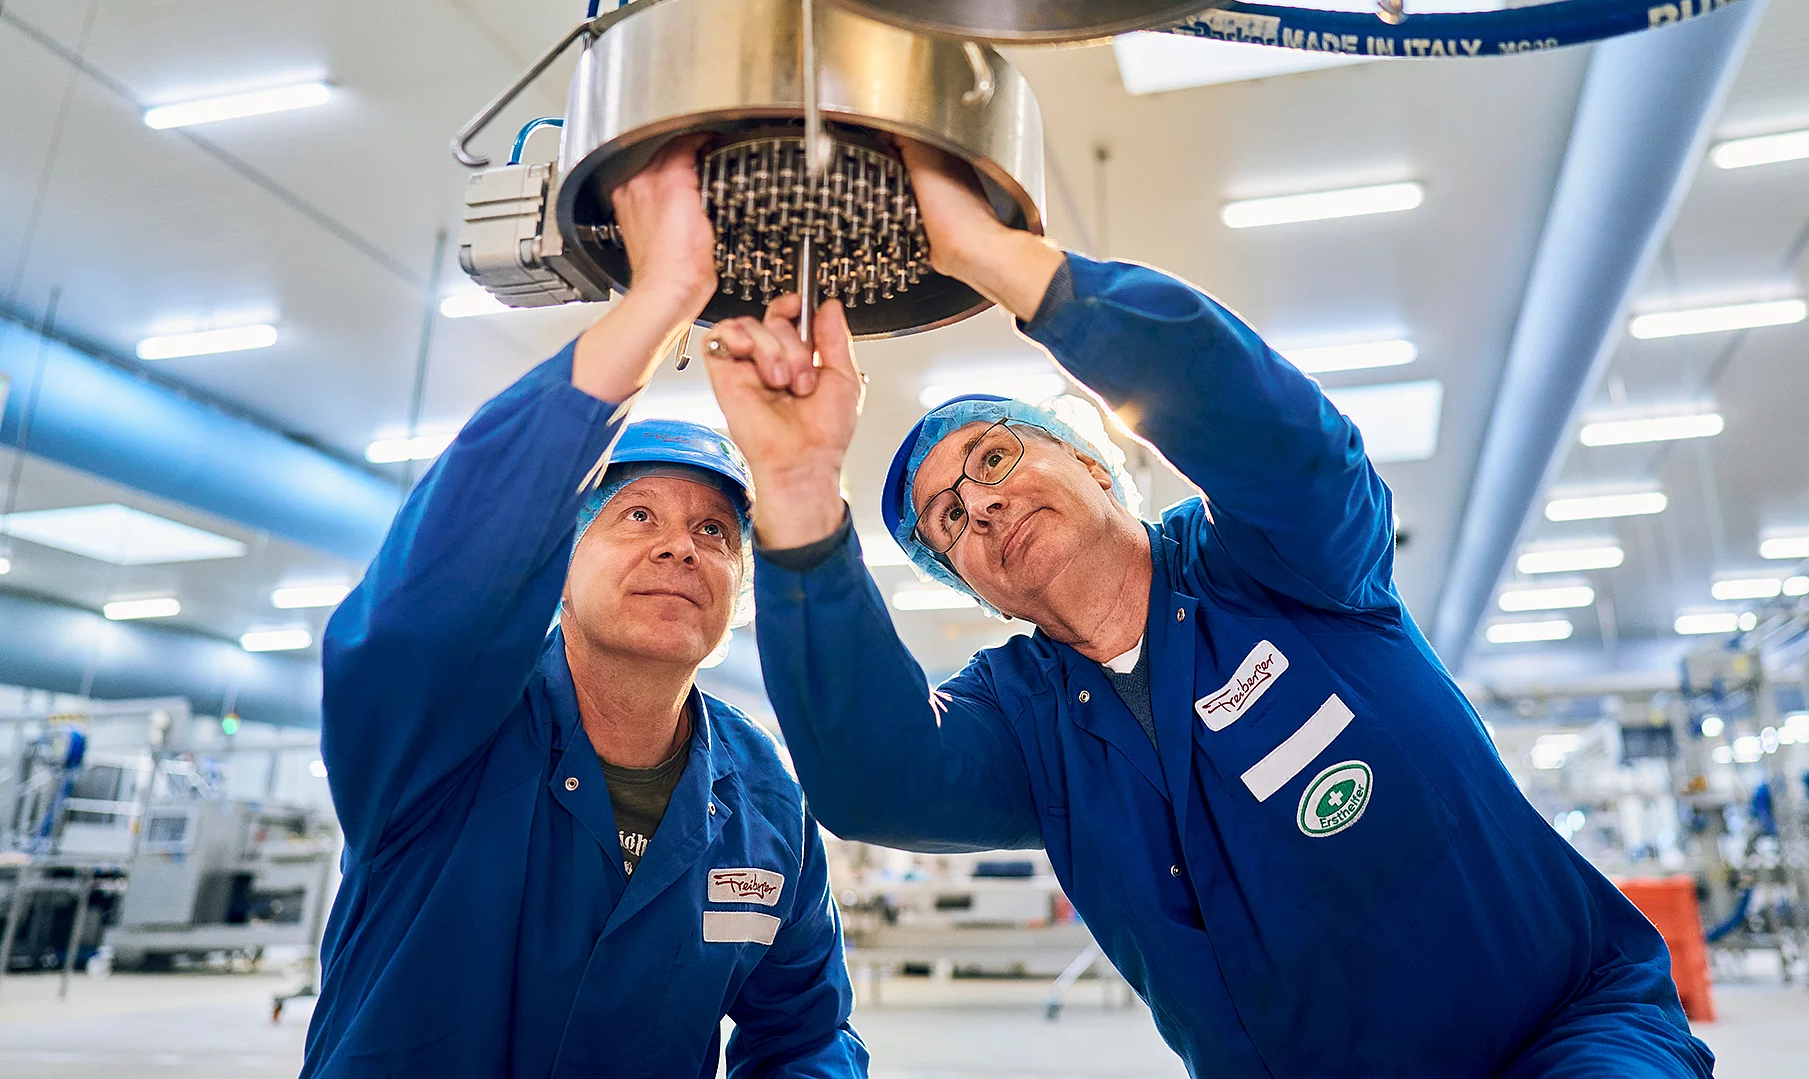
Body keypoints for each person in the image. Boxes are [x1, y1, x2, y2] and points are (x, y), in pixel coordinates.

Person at [703, 142, 1716, 1077]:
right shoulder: (1024, 722)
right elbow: (877, 779)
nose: (983, 503)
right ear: (971, 585)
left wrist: (998, 260)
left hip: (1559, 1037)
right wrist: (794, 486)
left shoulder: (1279, 565)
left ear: (1098, 464)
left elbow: (1292, 447)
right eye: (949, 518)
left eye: (997, 456)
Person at [305, 137, 866, 1078]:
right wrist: (658, 302)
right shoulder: (447, 728)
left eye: (715, 533)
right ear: (556, 563)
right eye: (635, 513)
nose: (680, 544)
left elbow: (806, 1030)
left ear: (737, 593)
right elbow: (428, 604)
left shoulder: (765, 796)